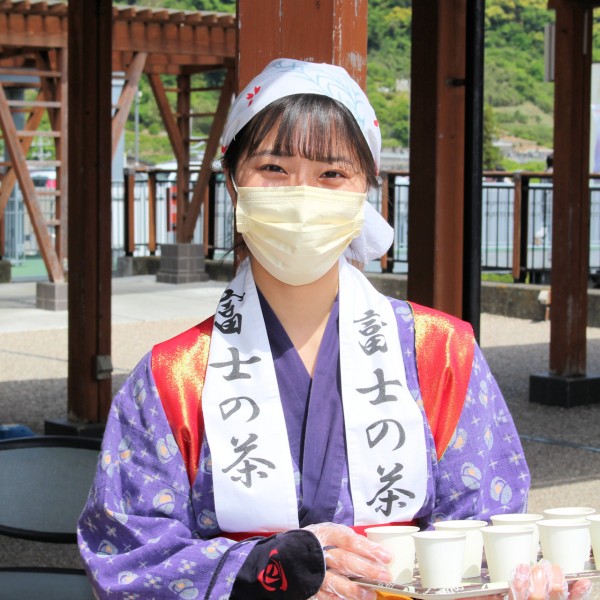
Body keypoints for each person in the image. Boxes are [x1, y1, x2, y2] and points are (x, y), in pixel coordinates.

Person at [78, 58, 567, 600]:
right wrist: (262, 570)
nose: (301, 194)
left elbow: (487, 531)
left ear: (367, 193)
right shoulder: (172, 377)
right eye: (273, 169)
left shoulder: (442, 354)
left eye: (332, 174)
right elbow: (125, 555)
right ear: (234, 184)